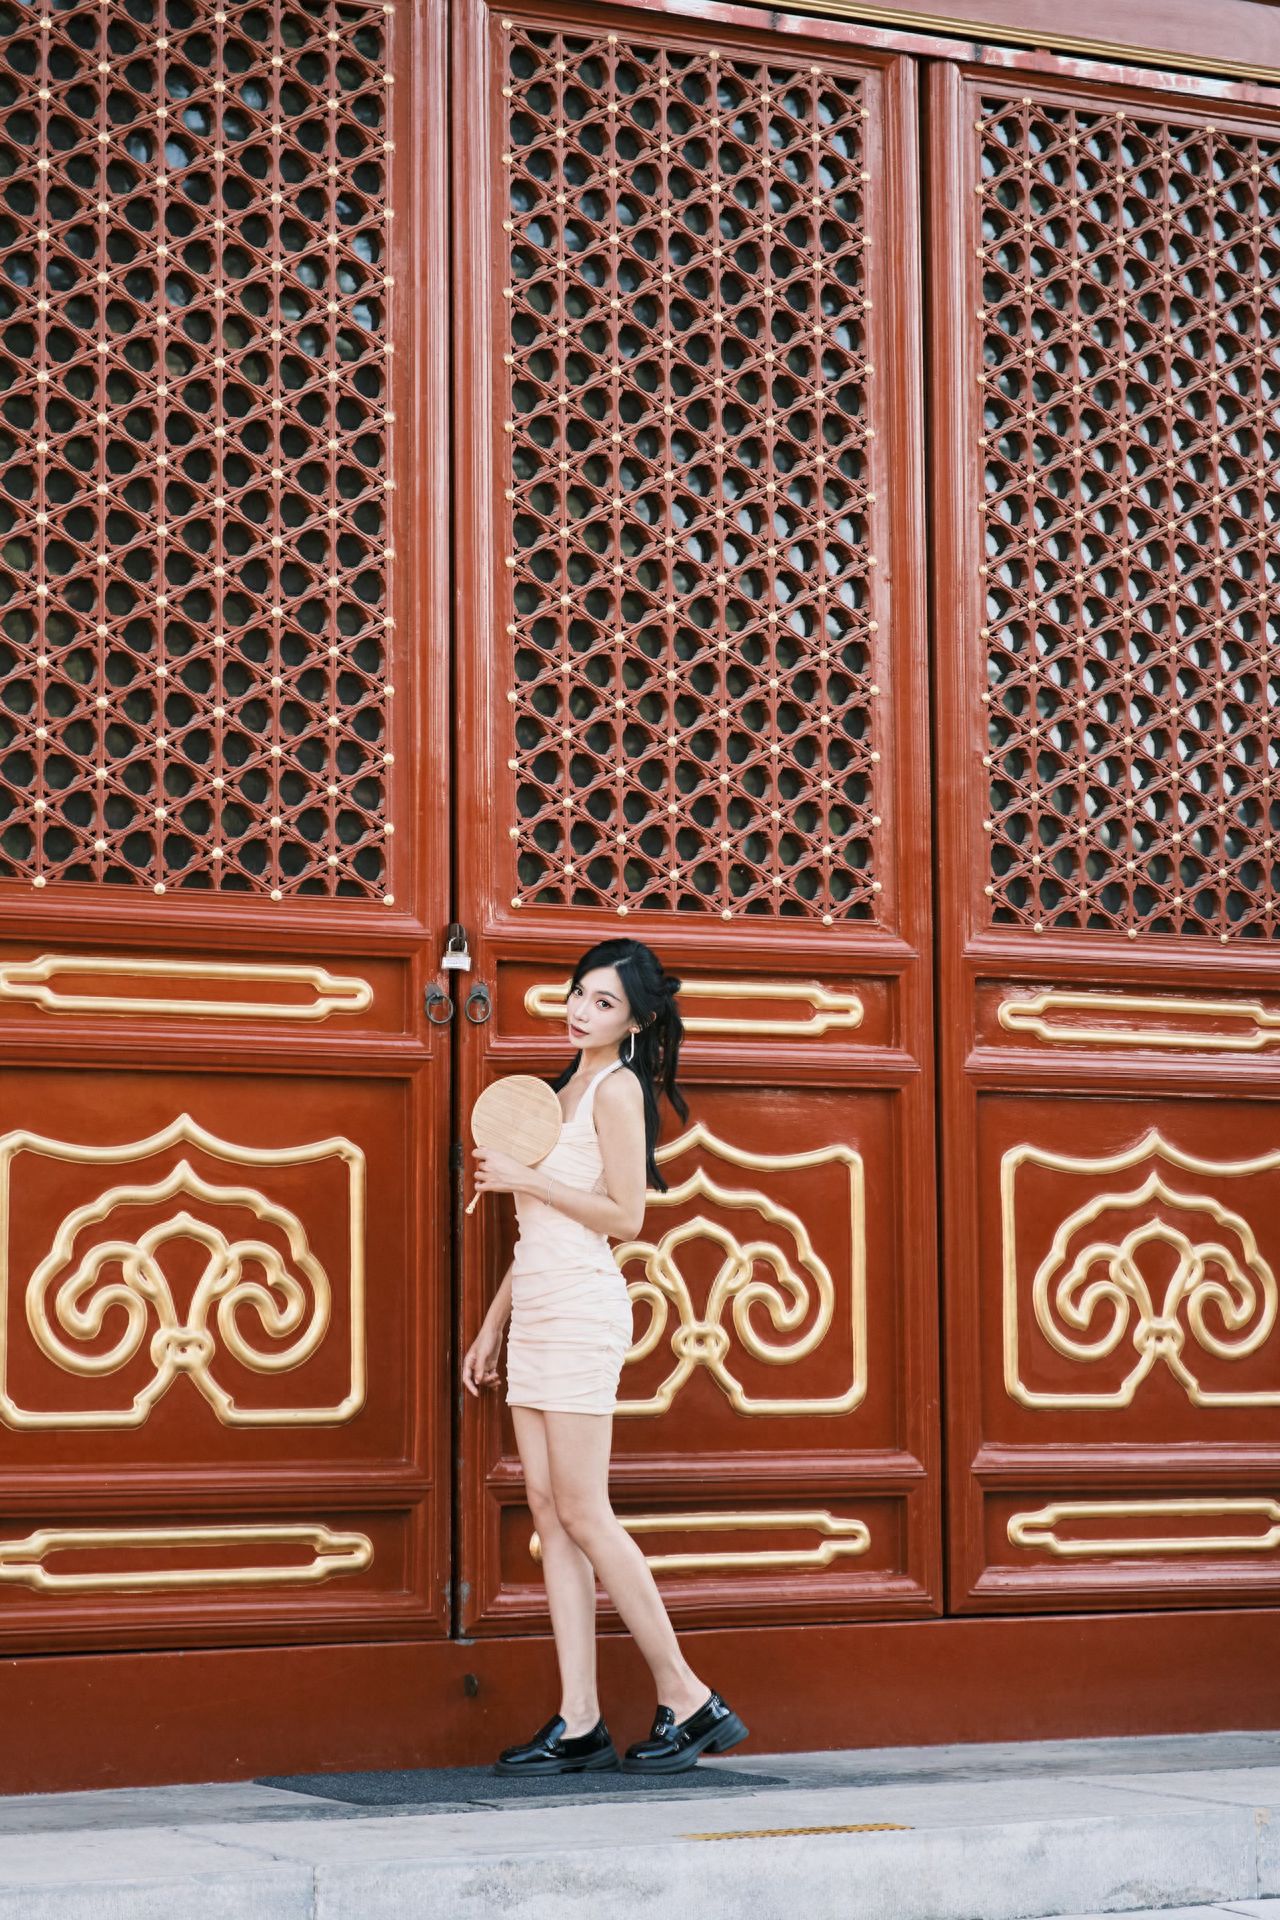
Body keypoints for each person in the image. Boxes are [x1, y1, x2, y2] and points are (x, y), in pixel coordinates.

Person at [462, 938, 749, 1776]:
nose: (581, 1011)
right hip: (539, 1308)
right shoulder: (560, 1090)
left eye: (603, 1003)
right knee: (548, 1511)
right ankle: (579, 1719)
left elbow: (626, 1217)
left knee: (586, 1511)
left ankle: (689, 1697)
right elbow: (535, 1234)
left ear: (637, 1020)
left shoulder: (620, 1091)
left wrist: (527, 1175)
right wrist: (490, 1327)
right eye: (579, 995)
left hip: (586, 1310)